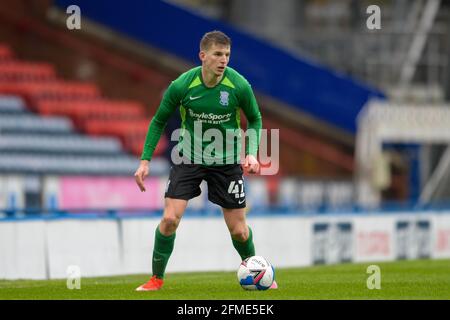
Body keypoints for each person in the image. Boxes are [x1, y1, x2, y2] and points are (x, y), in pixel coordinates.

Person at [134, 30, 277, 291]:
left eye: (227, 55)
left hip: (227, 161)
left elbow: (255, 119)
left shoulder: (239, 85)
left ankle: (256, 271)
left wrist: (252, 152)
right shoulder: (182, 85)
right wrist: (144, 160)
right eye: (218, 54)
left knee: (239, 231)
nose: (223, 60)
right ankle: (156, 279)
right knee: (169, 219)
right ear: (203, 56)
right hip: (189, 157)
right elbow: (158, 121)